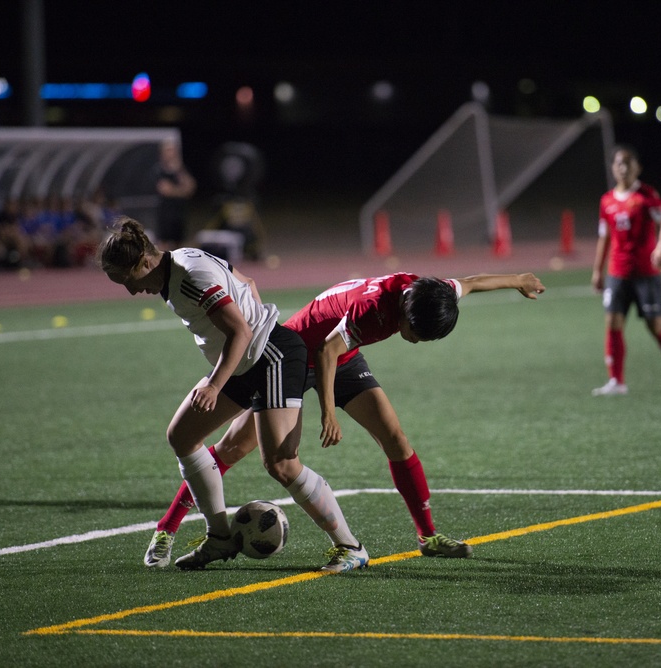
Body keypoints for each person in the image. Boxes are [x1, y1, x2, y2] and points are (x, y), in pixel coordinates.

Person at [143, 271, 546, 568]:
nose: (417, 340)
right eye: (415, 333)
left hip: (341, 354)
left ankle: (428, 537)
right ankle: (168, 527)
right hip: (295, 355)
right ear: (404, 313)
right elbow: (326, 354)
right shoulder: (374, 310)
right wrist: (329, 413)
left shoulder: (430, 293)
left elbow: (470, 283)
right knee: (237, 447)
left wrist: (518, 279)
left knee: (395, 438)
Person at [99, 216, 368, 573]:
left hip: (272, 355)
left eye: (128, 281)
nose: (131, 291)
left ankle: (351, 547)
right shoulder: (181, 260)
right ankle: (220, 536)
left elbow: (240, 330)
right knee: (182, 435)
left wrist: (215, 383)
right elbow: (247, 282)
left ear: (145, 262)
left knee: (282, 464)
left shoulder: (191, 276)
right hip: (243, 362)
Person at [590, 144, 661, 396]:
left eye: (628, 163)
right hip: (618, 273)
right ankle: (617, 381)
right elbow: (604, 238)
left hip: (646, 273)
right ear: (613, 168)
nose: (623, 168)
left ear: (637, 167)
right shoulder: (606, 201)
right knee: (612, 322)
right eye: (618, 163)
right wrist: (597, 271)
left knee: (654, 325)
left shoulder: (647, 195)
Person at [154, 139, 196, 250]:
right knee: (164, 247)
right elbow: (166, 190)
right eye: (168, 150)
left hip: (179, 213)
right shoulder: (158, 170)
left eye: (173, 150)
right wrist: (181, 191)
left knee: (180, 247)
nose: (171, 153)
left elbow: (190, 188)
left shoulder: (181, 170)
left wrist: (179, 170)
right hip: (165, 215)